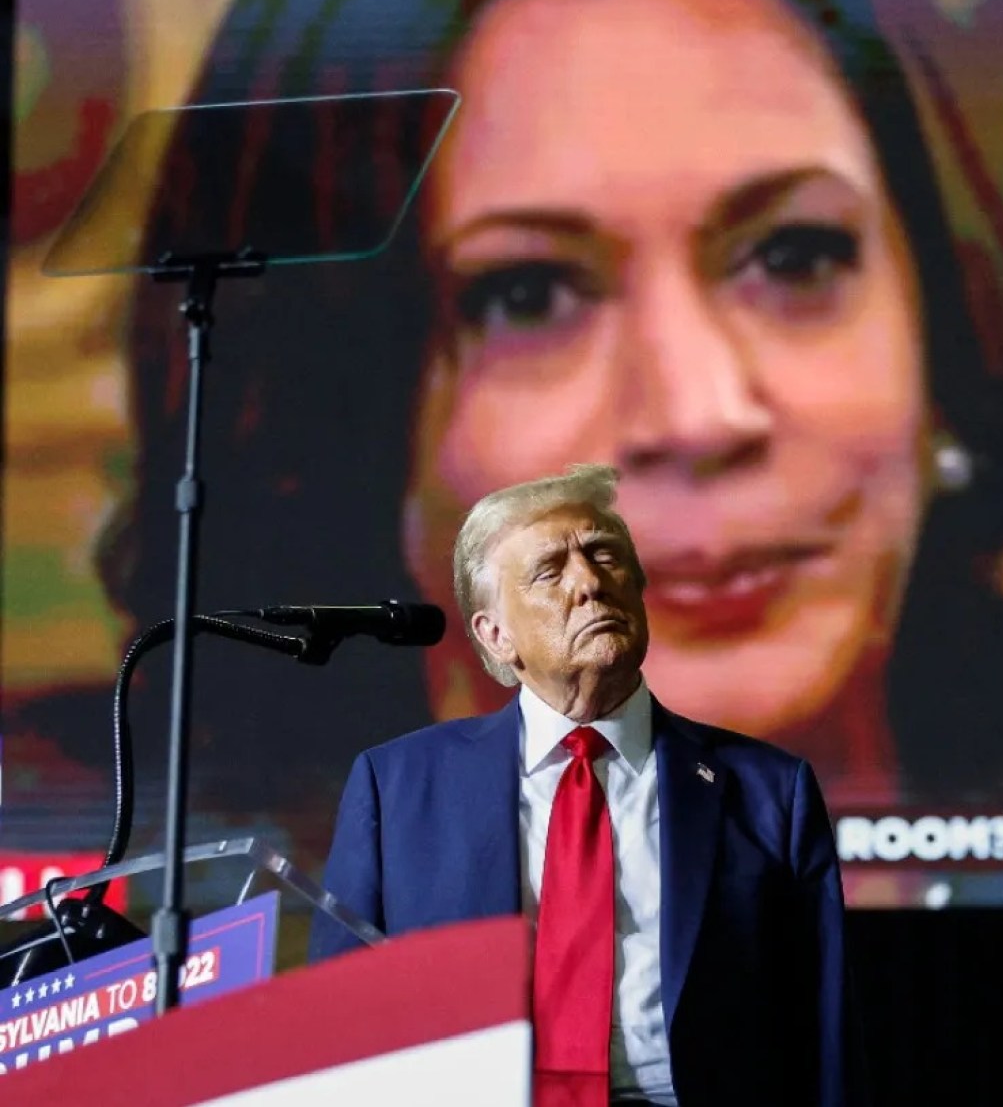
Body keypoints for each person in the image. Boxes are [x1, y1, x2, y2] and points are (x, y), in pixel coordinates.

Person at [27, 0, 1003, 852]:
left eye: (795, 257)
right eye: (527, 293)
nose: (701, 411)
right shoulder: (140, 909)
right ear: (333, 424)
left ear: (946, 323)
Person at [309, 463, 863, 1107]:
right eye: (551, 571)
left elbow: (822, 1027)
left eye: (605, 556)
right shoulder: (397, 785)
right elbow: (340, 1016)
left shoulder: (769, 790)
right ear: (495, 634)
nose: (591, 583)